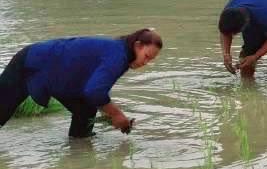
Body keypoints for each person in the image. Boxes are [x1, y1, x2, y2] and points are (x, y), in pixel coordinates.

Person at [0, 29, 163, 138]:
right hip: (30, 62)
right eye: (146, 56)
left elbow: (93, 92)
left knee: (85, 111)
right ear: (137, 46)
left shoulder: (123, 54)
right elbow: (95, 92)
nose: (146, 62)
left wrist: (111, 113)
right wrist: (116, 114)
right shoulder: (118, 56)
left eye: (151, 59)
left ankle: (78, 154)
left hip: (57, 73)